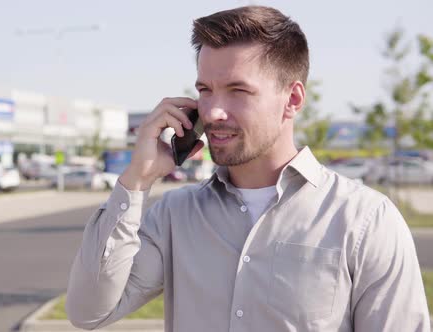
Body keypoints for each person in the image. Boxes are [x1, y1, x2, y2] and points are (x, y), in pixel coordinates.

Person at [65, 5, 430, 331]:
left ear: (293, 99)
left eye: (238, 91)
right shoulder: (175, 217)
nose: (212, 112)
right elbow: (88, 312)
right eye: (205, 89)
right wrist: (137, 179)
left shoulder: (365, 220)